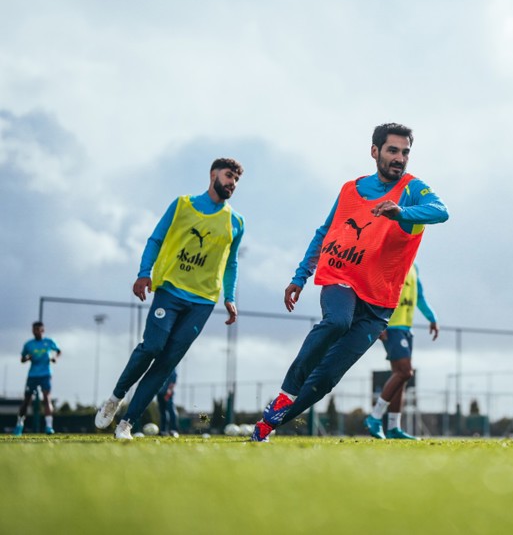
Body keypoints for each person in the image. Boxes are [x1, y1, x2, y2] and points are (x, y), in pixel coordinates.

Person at [251, 122, 448, 442]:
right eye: (393, 150)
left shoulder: (412, 190)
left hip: (380, 301)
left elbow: (442, 211)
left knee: (326, 378)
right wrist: (300, 276)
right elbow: (324, 232)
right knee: (337, 321)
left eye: (405, 152)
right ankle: (286, 392)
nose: (400, 158)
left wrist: (401, 213)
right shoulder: (350, 190)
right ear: (375, 152)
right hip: (342, 275)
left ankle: (267, 425)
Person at [95, 158, 245, 439]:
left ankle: (127, 423)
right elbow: (156, 239)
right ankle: (115, 399)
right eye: (228, 176)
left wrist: (230, 296)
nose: (232, 183)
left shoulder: (236, 222)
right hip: (170, 291)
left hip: (202, 302)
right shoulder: (182, 205)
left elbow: (232, 263)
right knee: (152, 347)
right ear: (212, 174)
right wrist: (143, 273)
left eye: (236, 180)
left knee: (166, 365)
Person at [365, 263, 439, 440]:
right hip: (392, 327)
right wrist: (378, 322)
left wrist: (432, 318)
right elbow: (375, 290)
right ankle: (374, 417)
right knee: (405, 372)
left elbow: (419, 297)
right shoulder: (391, 261)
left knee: (401, 378)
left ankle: (393, 428)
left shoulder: (414, 268)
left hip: (406, 328)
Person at [13, 322, 62, 435]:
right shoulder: (28, 345)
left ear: (42, 330)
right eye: (34, 330)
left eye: (38, 329)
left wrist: (55, 358)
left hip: (46, 375)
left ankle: (49, 427)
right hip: (32, 376)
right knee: (26, 401)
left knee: (47, 398)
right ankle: (19, 424)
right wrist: (27, 358)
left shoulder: (49, 342)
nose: (36, 331)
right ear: (32, 331)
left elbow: (58, 351)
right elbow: (22, 359)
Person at [156, 370, 179, 437]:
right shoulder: (161, 369)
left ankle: (174, 430)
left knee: (171, 411)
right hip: (160, 393)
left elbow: (172, 383)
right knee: (163, 413)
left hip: (168, 394)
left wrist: (168, 394)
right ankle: (163, 431)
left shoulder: (173, 370)